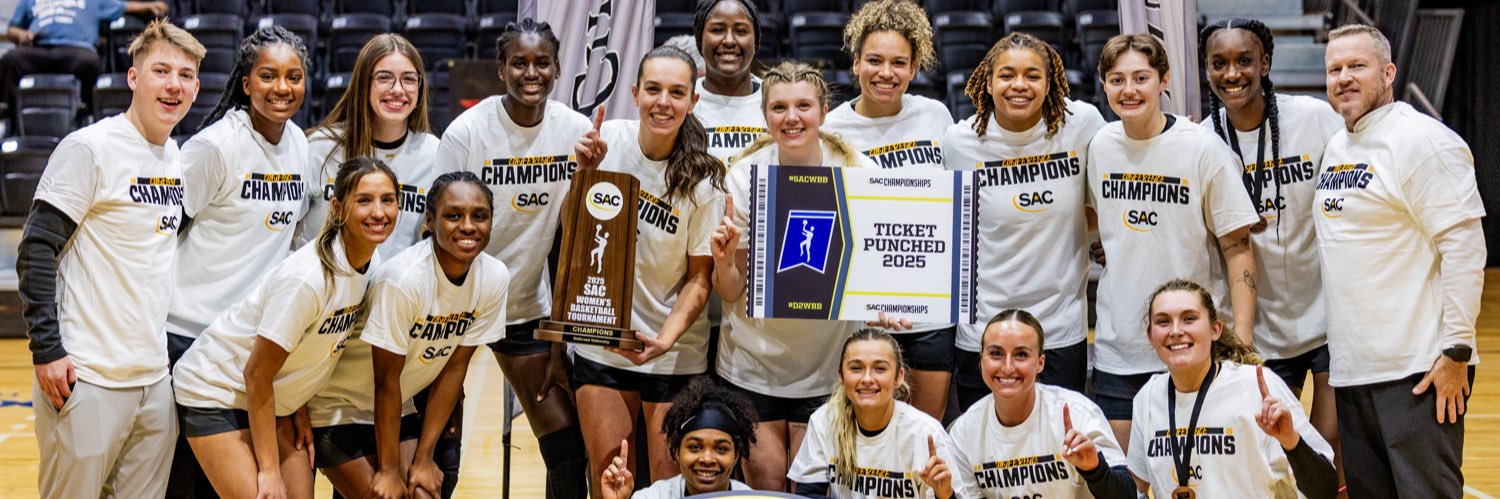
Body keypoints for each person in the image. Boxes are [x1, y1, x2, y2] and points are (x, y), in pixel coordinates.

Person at [17, 19, 202, 498]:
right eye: (161, 70)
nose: (173, 85)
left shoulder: (176, 157)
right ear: (133, 78)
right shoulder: (89, 148)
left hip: (152, 380)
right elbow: (36, 248)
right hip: (87, 377)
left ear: (197, 87)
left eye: (185, 75)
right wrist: (47, 352)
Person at [1315, 23, 1485, 497]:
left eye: (1357, 66)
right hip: (1354, 371)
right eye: (1335, 69)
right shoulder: (1337, 146)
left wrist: (1456, 352)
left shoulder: (1423, 141)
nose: (1344, 78)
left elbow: (1465, 249)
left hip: (1418, 371)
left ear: (1388, 73)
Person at [171, 157, 398, 498]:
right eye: (364, 200)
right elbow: (257, 374)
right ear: (337, 208)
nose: (378, 212)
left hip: (271, 401)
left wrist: (297, 405)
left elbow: (311, 350)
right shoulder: (307, 280)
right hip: (216, 390)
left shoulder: (369, 262)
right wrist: (269, 470)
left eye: (387, 199)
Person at [435, 17, 594, 499]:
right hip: (453, 306)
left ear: (558, 68)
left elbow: (572, 238)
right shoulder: (466, 132)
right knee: (442, 442)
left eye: (541, 63)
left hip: (524, 308)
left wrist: (557, 338)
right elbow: (439, 231)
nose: (531, 73)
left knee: (566, 444)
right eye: (519, 63)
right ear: (500, 69)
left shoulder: (576, 131)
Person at [1085, 33, 1260, 450]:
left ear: (1164, 81)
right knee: (1123, 482)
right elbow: (1098, 221)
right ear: (1105, 84)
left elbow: (1238, 249)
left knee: (1194, 475)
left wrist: (1244, 343)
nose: (1129, 90)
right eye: (1117, 79)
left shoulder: (1201, 147)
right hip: (1118, 346)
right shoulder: (1100, 147)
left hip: (1191, 346)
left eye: (1141, 78)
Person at [570, 44, 725, 493]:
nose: (663, 102)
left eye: (677, 92)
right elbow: (573, 237)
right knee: (610, 482)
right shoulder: (605, 142)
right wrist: (584, 176)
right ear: (635, 93)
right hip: (603, 344)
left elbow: (701, 279)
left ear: (693, 101)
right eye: (653, 89)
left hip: (673, 351)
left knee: (669, 488)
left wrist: (665, 340)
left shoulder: (705, 178)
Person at [712, 61, 873, 490]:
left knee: (810, 490)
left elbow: (874, 270)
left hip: (825, 368)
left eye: (803, 105)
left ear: (823, 110)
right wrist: (725, 261)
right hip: (752, 363)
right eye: (779, 107)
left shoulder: (858, 171)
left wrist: (886, 303)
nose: (792, 117)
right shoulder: (745, 178)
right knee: (766, 487)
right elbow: (731, 290)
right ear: (765, 116)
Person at [1198, 17, 1345, 481]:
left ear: (1266, 62)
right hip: (1258, 326)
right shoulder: (1202, 139)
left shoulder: (1315, 118)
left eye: (1245, 60)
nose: (1232, 73)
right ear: (1205, 70)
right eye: (1218, 63)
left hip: (1327, 310)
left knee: (1328, 437)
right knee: (1275, 451)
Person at [307, 171, 508, 499]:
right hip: (337, 406)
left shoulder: (494, 277)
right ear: (430, 221)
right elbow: (386, 381)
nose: (468, 226)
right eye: (454, 215)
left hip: (398, 409)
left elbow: (454, 368)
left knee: (424, 493)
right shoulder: (403, 279)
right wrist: (388, 470)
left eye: (480, 216)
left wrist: (425, 456)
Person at [941, 32, 1106, 406]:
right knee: (987, 456)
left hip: (1059, 332)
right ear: (987, 80)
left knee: (1057, 453)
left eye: (1033, 75)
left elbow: (1102, 201)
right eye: (1007, 74)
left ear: (1051, 84)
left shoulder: (1082, 126)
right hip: (983, 332)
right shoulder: (959, 142)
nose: (1020, 85)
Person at [822, 0, 957, 419]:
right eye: (874, 60)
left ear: (914, 67)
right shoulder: (832, 129)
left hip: (930, 311)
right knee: (869, 436)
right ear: (856, 62)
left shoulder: (936, 116)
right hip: (864, 317)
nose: (886, 73)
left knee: (925, 434)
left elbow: (952, 207)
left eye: (899, 62)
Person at [1128, 279, 1337, 498]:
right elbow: (1136, 489)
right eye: (1163, 322)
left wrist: (1291, 441)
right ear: (1150, 336)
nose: (1176, 330)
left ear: (1215, 329)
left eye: (1189, 319)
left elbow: (1326, 489)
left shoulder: (1256, 385)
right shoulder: (1148, 397)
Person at [948, 310, 1134, 498]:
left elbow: (1128, 494)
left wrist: (1095, 470)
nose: (1007, 367)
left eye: (1021, 354)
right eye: (996, 353)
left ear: (1040, 362)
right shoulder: (964, 431)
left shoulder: (1079, 412)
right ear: (981, 360)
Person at [788, 328, 980, 498]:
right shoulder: (825, 421)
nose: (867, 378)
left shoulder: (926, 432)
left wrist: (944, 495)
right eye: (856, 368)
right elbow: (809, 494)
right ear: (840, 375)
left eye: (880, 369)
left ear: (899, 377)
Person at [300, 33, 437, 255]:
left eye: (409, 79)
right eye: (384, 78)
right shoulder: (320, 147)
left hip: (393, 289)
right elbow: (285, 234)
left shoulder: (434, 154)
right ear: (364, 83)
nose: (398, 89)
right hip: (321, 286)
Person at [0, 0, 167, 117]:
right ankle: (9, 111)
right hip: (39, 49)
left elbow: (123, 6)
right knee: (10, 60)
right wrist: (21, 34)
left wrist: (149, 6)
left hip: (76, 50)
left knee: (90, 62)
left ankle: (89, 112)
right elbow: (12, 29)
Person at [599, 376, 757, 498]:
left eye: (721, 449)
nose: (707, 459)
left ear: (736, 455)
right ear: (677, 452)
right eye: (695, 447)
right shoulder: (654, 497)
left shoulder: (749, 497)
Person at [690, 0, 766, 163]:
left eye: (740, 31)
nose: (729, 41)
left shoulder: (777, 100)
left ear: (756, 41)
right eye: (717, 30)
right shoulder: (681, 102)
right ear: (700, 41)